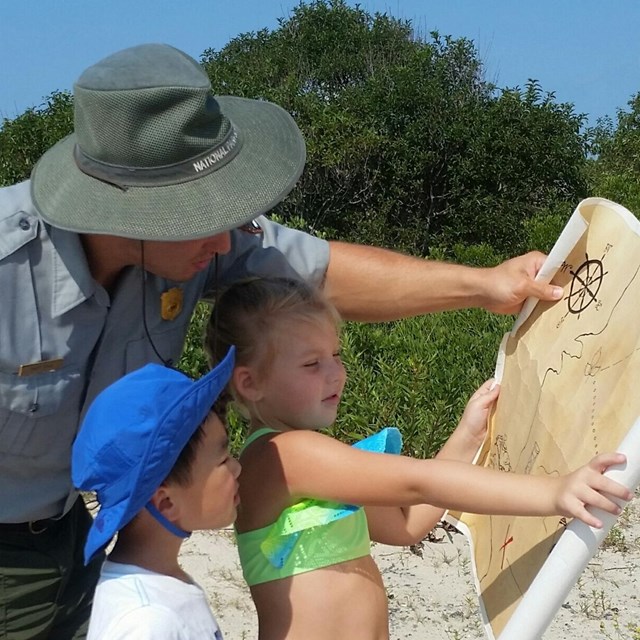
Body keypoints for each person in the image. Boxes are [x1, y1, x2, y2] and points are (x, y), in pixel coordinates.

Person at [0, 42, 561, 639]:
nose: (225, 246)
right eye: (197, 218)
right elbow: (414, 486)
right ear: (128, 213)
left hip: (84, 535)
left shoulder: (200, 243)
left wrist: (483, 285)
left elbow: (318, 273)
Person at [206, 277, 632, 640]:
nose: (335, 372)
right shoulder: (283, 455)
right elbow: (420, 481)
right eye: (311, 363)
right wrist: (555, 492)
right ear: (250, 383)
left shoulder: (318, 470)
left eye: (336, 355)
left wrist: (467, 438)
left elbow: (406, 523)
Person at [71, 347, 238, 639]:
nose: (237, 468)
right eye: (223, 460)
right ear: (165, 501)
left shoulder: (161, 588)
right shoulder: (147, 622)